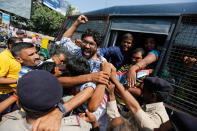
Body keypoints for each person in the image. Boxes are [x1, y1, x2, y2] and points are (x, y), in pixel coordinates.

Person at [32, 15, 110, 131]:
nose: (87, 46)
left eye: (91, 44)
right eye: (85, 42)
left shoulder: (100, 65)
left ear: (98, 47)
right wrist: (76, 23)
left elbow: (90, 93)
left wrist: (60, 111)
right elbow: (65, 40)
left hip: (85, 114)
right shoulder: (78, 52)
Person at [0, 70, 92, 131]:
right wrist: (94, 123)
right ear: (56, 104)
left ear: (18, 103)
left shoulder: (5, 123)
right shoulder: (79, 127)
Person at [110, 64, 173, 130]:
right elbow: (131, 117)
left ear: (153, 96)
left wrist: (112, 90)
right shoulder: (148, 105)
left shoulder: (156, 118)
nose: (141, 93)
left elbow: (135, 111)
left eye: (144, 91)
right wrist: (121, 112)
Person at [0, 37, 22, 114]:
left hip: (13, 92)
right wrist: (18, 81)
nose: (21, 47)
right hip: (4, 94)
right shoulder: (4, 58)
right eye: (18, 45)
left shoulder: (15, 56)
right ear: (10, 45)